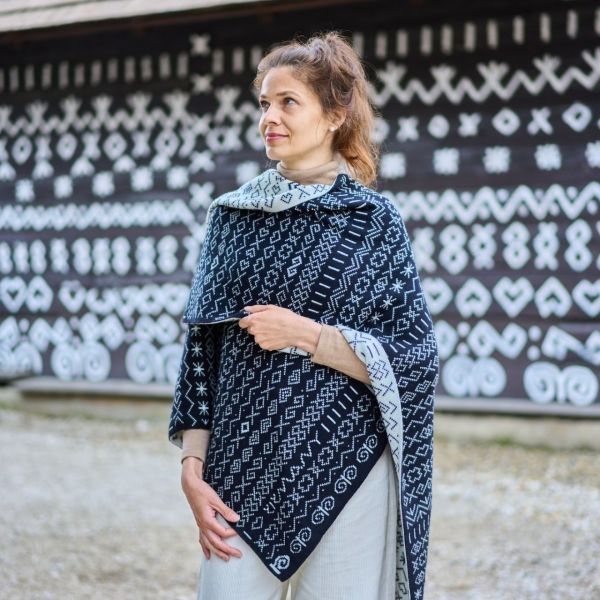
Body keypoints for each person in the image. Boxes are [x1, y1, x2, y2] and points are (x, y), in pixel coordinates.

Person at [168, 31, 439, 600]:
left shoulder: (373, 221)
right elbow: (202, 353)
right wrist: (192, 464)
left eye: (288, 102)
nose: (269, 117)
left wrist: (309, 335)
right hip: (239, 464)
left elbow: (415, 359)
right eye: (264, 103)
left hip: (348, 463)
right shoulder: (230, 216)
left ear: (336, 114)